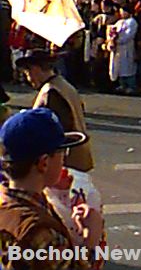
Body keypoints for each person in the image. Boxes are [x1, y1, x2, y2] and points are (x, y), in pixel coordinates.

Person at [0, 108, 103, 269]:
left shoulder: (6, 201)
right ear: (44, 163)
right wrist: (91, 241)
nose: (64, 160)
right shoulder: (41, 232)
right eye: (62, 152)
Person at [16, 50, 94, 173]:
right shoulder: (63, 85)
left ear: (35, 69)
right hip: (77, 157)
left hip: (66, 162)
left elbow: (55, 130)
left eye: (27, 72)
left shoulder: (51, 92)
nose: (27, 77)